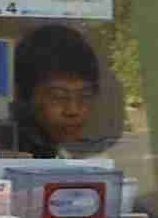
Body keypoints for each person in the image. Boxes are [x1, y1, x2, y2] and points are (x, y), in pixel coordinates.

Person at [7, 25, 105, 160]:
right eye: (58, 97)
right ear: (24, 96)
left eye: (85, 96)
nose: (73, 110)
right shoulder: (9, 157)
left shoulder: (64, 153)